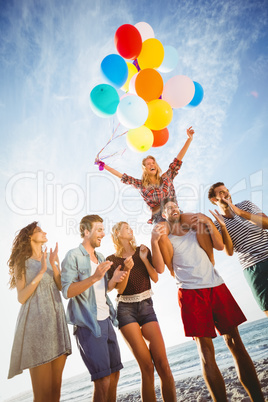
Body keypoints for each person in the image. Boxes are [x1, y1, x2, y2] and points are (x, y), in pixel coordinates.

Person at [151, 199, 264, 402]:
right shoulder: (165, 239)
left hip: (216, 286)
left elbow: (219, 247)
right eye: (168, 209)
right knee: (205, 351)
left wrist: (209, 222)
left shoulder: (198, 230)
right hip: (190, 293)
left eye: (175, 206)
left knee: (235, 342)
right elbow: (166, 268)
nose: (173, 208)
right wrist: (155, 237)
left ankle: (258, 398)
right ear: (164, 216)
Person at [98, 126, 214, 268]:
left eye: (153, 163)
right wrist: (105, 166)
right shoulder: (141, 185)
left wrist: (189, 139)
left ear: (156, 166)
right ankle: (172, 269)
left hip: (176, 213)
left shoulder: (167, 176)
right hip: (160, 217)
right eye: (148, 164)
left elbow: (178, 160)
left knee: (199, 222)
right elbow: (123, 177)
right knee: (160, 236)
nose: (151, 165)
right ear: (145, 169)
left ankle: (211, 260)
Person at [106, 221, 176, 402]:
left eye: (130, 227)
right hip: (125, 310)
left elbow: (156, 277)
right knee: (146, 367)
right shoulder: (112, 260)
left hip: (146, 307)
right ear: (117, 234)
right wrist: (127, 270)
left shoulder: (142, 251)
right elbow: (119, 290)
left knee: (163, 365)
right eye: (126, 227)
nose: (130, 229)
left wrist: (145, 259)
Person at [61, 214, 127, 402]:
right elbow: (67, 291)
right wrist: (94, 277)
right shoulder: (73, 256)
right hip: (89, 325)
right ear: (86, 231)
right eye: (99, 229)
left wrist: (113, 280)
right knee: (102, 380)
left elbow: (102, 289)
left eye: (103, 229)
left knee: (114, 375)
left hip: (106, 320)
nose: (103, 234)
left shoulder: (99, 257)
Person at [7, 222, 72, 402]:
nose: (44, 232)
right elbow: (21, 297)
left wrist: (53, 265)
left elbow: (60, 287)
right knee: (42, 396)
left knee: (54, 393)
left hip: (56, 325)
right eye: (39, 231)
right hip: (36, 328)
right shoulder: (21, 263)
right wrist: (41, 271)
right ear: (29, 237)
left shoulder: (49, 258)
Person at [208, 182, 268, 317]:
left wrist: (240, 212)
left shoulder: (246, 205)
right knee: (266, 307)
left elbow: (266, 224)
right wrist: (223, 226)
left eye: (226, 191)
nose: (226, 194)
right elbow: (228, 252)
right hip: (252, 267)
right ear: (214, 199)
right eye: (221, 193)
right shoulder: (217, 223)